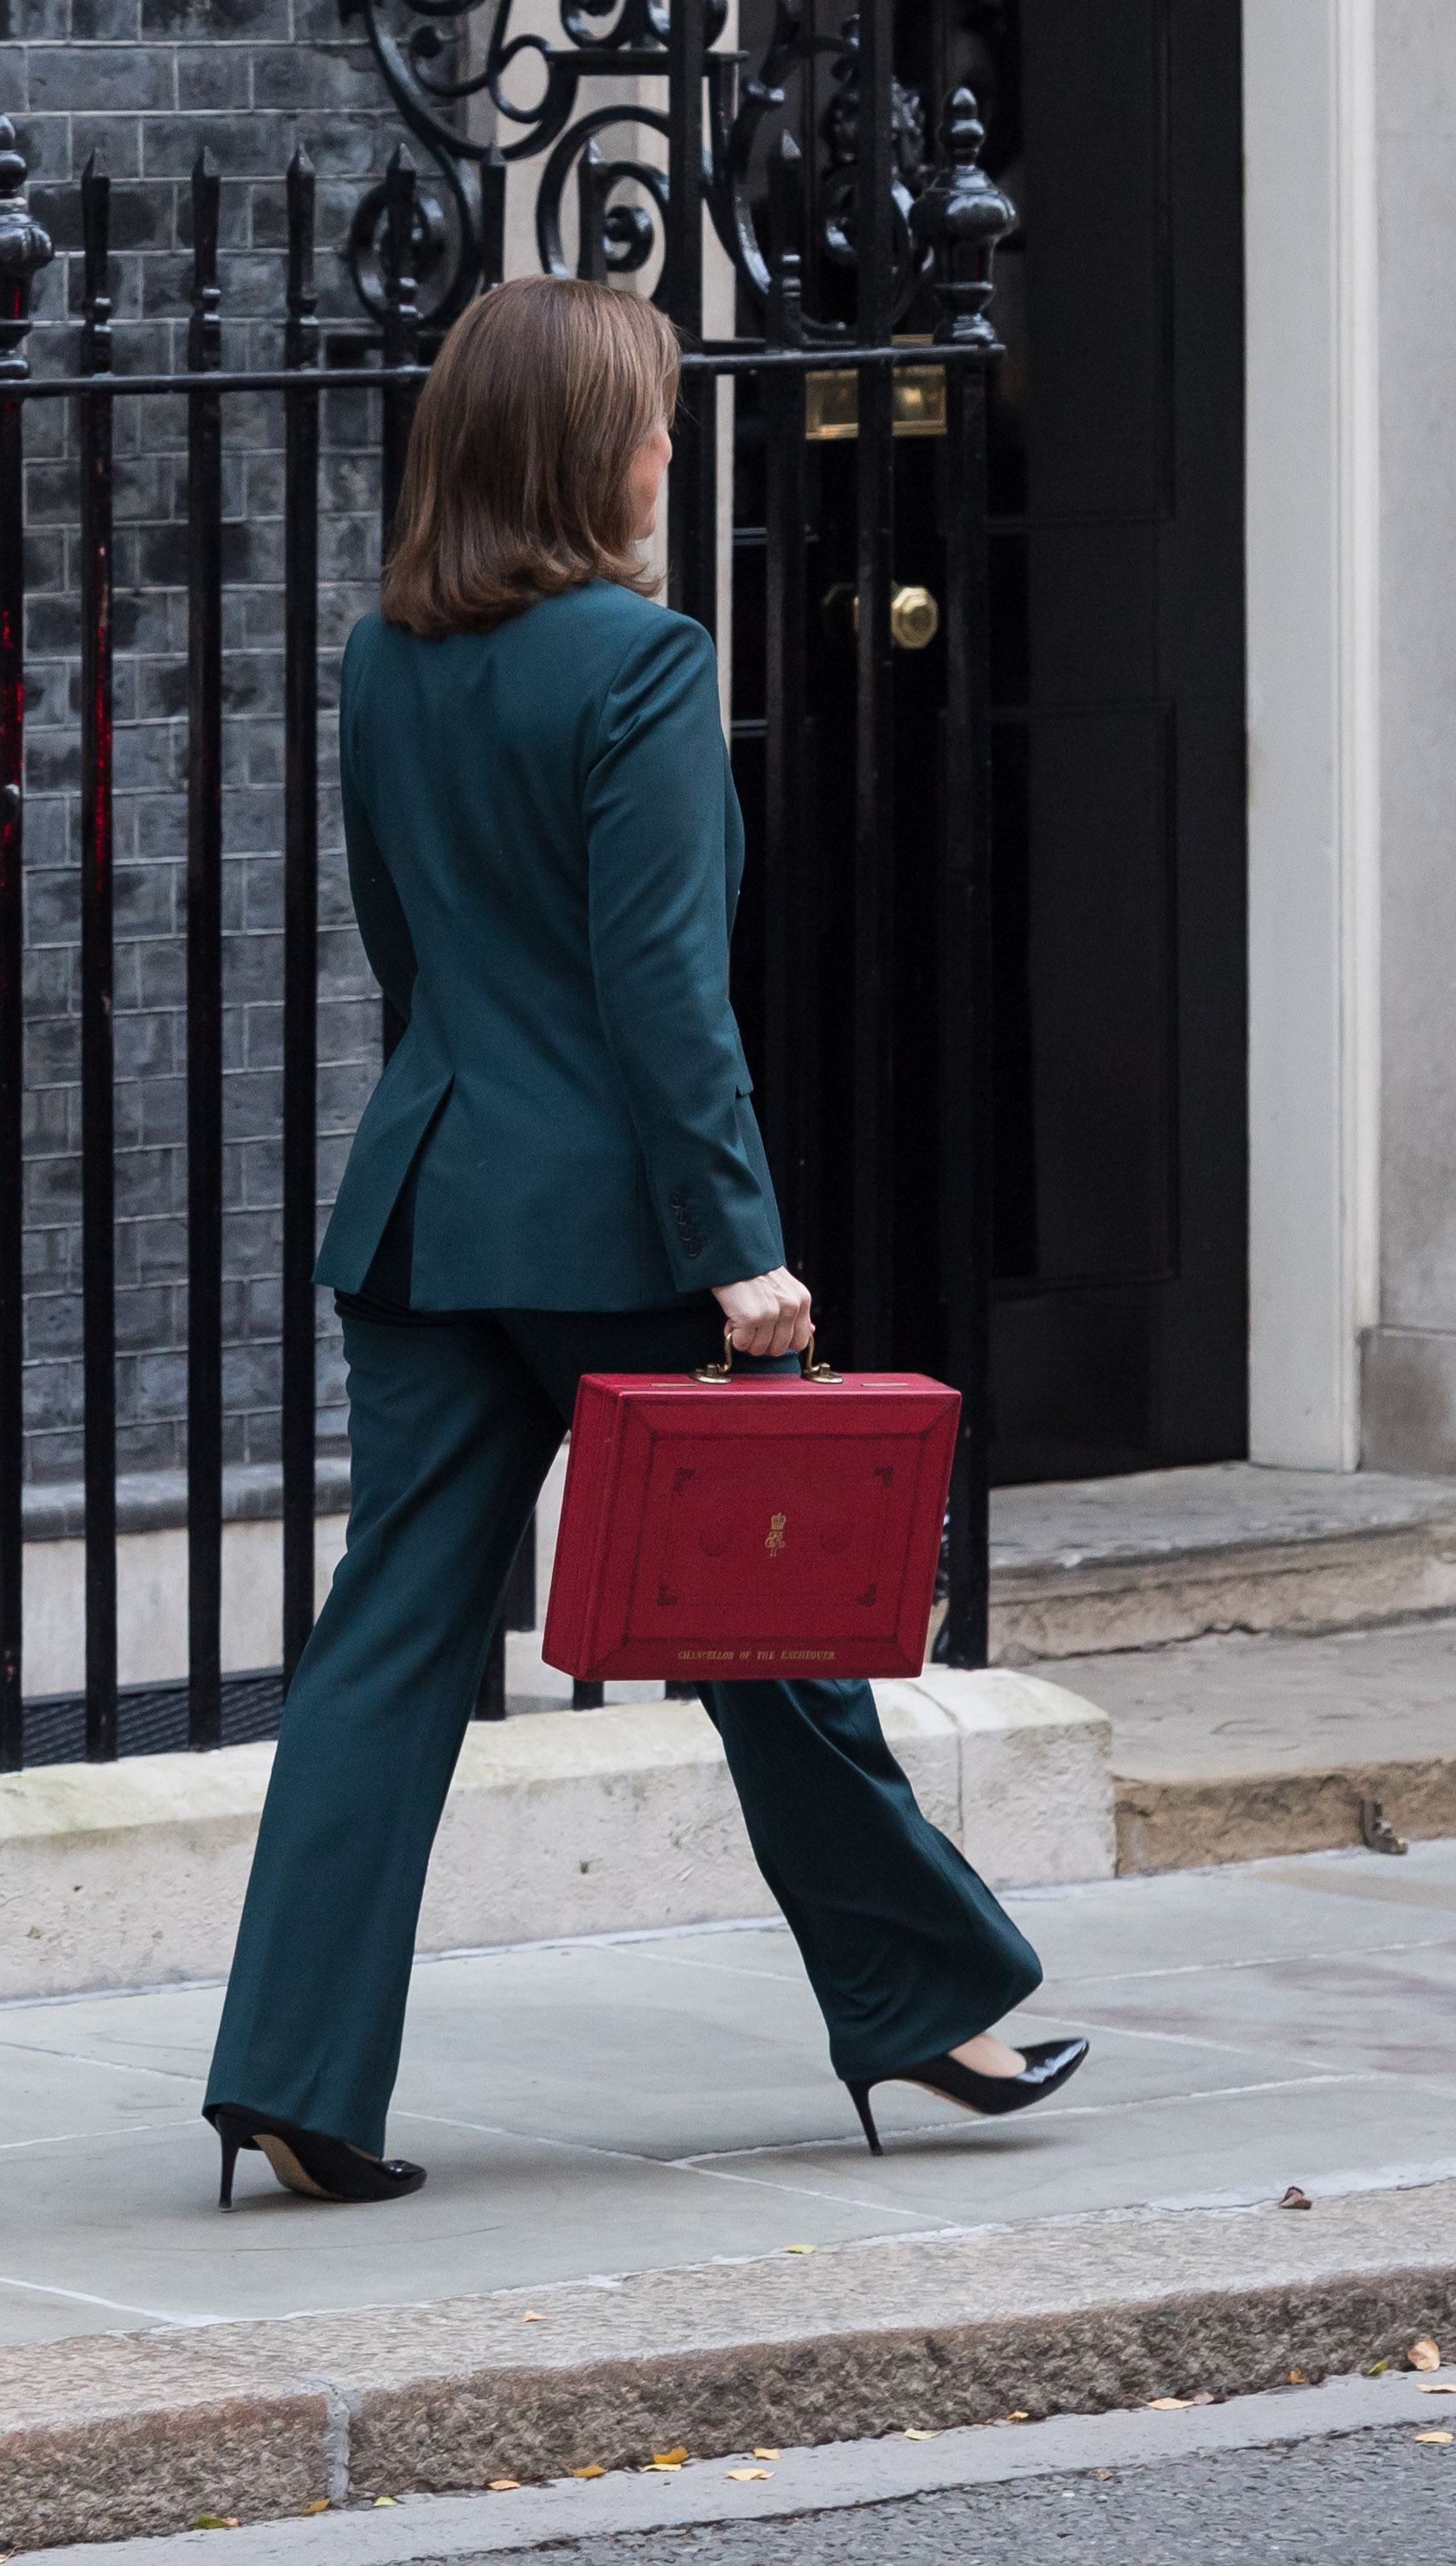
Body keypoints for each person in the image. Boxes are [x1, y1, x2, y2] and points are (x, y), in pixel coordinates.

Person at [196, 276, 1086, 2205]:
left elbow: (404, 953)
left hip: (427, 1210)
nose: (671, 448)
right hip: (614, 1226)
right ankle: (924, 2002)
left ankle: (288, 2074)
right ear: (585, 452)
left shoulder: (384, 658)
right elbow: (666, 989)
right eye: (649, 420)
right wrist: (738, 1246)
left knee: (384, 1651)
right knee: (776, 1636)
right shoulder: (646, 663)